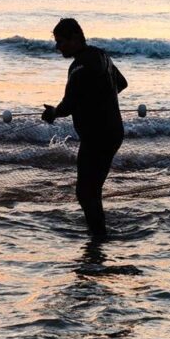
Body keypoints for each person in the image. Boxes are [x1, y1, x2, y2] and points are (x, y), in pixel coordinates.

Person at [41, 18, 127, 238]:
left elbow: (68, 105)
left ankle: (98, 237)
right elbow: (121, 83)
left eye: (61, 42)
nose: (58, 47)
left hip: (97, 136)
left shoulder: (79, 65)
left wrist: (52, 113)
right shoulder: (101, 55)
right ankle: (98, 233)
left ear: (75, 38)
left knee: (85, 192)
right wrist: (101, 99)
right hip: (113, 131)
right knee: (92, 189)